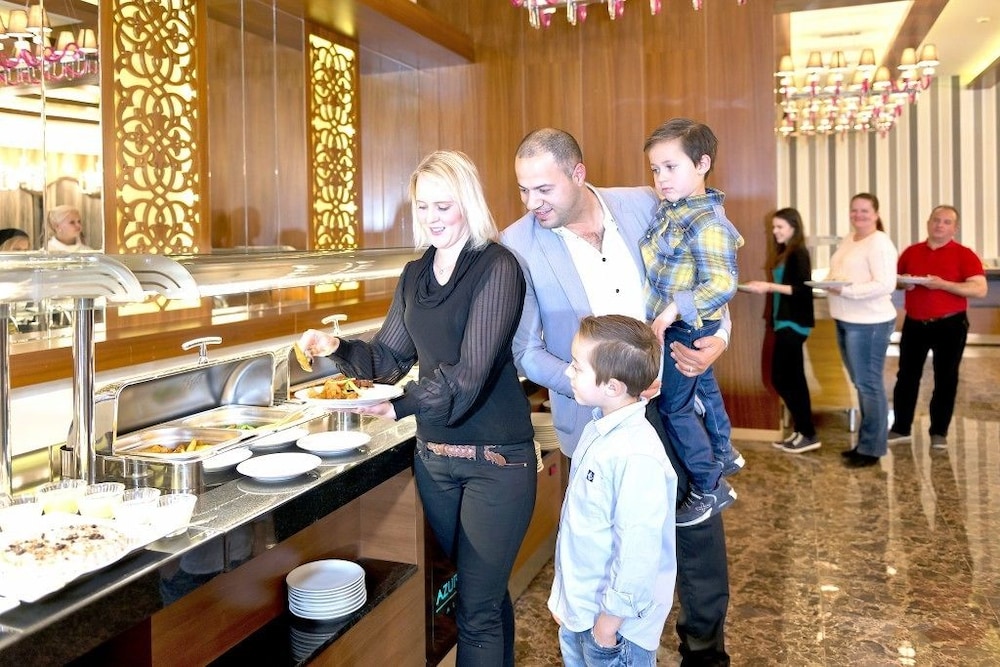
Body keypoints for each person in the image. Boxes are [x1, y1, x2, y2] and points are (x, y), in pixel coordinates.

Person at [502, 127, 733, 666]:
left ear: (578, 174)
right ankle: (614, 646)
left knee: (697, 540)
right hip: (596, 421)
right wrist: (605, 390)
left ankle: (704, 653)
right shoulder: (516, 245)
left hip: (673, 404)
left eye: (544, 189)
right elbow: (527, 352)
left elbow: (710, 276)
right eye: (524, 190)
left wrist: (720, 338)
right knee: (611, 550)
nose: (532, 203)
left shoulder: (648, 203)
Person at [297, 150, 536, 666]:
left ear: (468, 203)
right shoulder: (414, 274)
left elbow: (468, 377)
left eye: (443, 206)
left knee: (474, 611)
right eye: (423, 206)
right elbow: (386, 361)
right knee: (484, 596)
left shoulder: (497, 266)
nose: (432, 218)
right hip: (435, 461)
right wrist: (336, 346)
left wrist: (400, 406)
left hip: (496, 462)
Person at [549, 314, 677, 667]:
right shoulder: (597, 430)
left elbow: (639, 548)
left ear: (613, 387)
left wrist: (607, 627)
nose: (568, 372)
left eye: (578, 367)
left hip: (616, 630)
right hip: (582, 613)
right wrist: (565, 601)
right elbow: (580, 528)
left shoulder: (636, 454)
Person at [640, 118, 744, 526]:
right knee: (704, 387)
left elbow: (722, 284)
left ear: (702, 164)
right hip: (683, 322)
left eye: (671, 167)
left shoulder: (708, 223)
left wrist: (671, 311)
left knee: (675, 407)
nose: (661, 178)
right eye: (655, 169)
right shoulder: (674, 210)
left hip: (685, 324)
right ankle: (722, 451)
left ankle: (709, 485)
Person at [887, 205, 987, 449]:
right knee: (906, 376)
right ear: (928, 223)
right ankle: (901, 427)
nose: (939, 225)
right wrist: (903, 284)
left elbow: (980, 289)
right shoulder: (912, 252)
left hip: (950, 324)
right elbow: (895, 280)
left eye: (946, 222)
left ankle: (939, 432)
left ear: (955, 228)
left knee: (946, 378)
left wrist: (943, 285)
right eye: (936, 220)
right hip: (915, 323)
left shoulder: (965, 254)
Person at [824, 193, 898, 468]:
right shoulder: (850, 239)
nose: (858, 215)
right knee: (862, 383)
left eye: (864, 210)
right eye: (854, 210)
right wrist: (830, 282)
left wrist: (846, 290)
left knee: (869, 385)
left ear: (876, 214)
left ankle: (871, 448)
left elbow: (885, 284)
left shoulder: (879, 243)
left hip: (870, 323)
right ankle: (866, 444)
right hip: (846, 318)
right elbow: (843, 274)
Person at [743, 207, 819, 453]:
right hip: (783, 321)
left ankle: (808, 432)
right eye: (773, 227)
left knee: (786, 379)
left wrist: (767, 286)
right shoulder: (786, 252)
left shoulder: (799, 253)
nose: (775, 231)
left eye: (779, 227)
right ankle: (802, 430)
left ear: (793, 228)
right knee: (789, 379)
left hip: (793, 323)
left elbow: (802, 290)